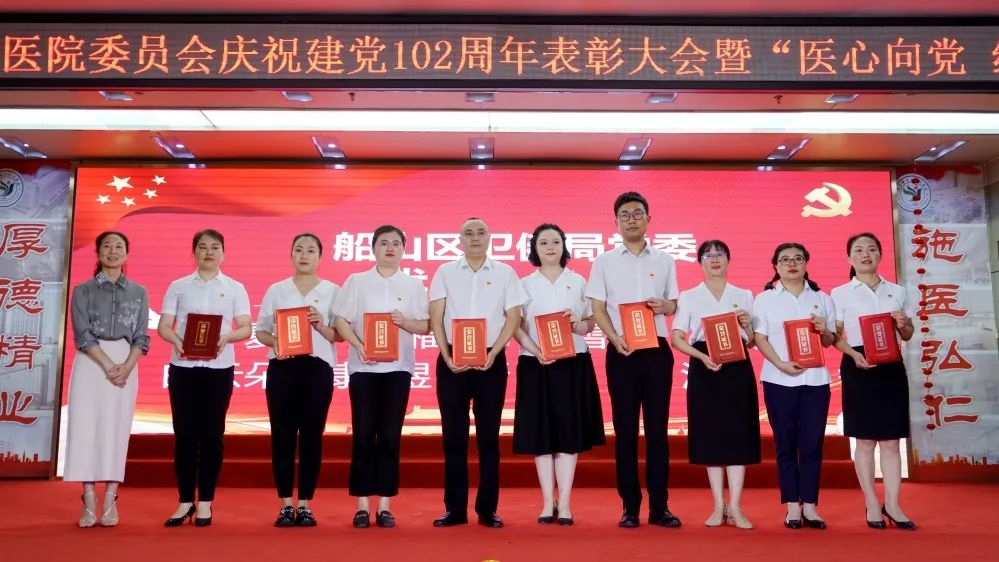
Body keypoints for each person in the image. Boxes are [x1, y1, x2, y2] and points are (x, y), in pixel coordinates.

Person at [586, 191, 681, 529]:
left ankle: (660, 506)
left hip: (656, 351)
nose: (631, 219)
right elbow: (597, 307)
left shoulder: (665, 260)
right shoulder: (604, 262)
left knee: (657, 431)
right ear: (616, 222)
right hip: (621, 351)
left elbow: (674, 304)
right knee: (625, 431)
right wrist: (614, 338)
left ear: (648, 219)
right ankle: (629, 506)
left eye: (637, 213)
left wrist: (665, 307)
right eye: (624, 215)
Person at [428, 217, 526, 529]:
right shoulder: (445, 272)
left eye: (481, 232)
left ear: (489, 238)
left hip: (490, 360)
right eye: (468, 233)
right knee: (453, 437)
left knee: (488, 438)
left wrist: (495, 352)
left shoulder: (505, 273)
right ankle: (455, 509)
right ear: (459, 240)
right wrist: (445, 354)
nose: (475, 238)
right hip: (452, 359)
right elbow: (436, 317)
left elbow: (514, 317)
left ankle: (487, 509)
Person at [334, 225, 430, 529]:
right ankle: (362, 505)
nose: (390, 248)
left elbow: (425, 326)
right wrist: (358, 345)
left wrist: (405, 322)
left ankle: (385, 505)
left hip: (398, 369)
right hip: (363, 369)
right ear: (373, 248)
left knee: (390, 436)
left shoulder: (413, 284)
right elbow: (340, 319)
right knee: (363, 435)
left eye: (396, 243)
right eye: (384, 243)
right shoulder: (357, 281)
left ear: (404, 249)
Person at [512, 223, 605, 527]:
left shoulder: (578, 281)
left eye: (555, 242)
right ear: (534, 249)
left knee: (568, 433)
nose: (550, 247)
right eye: (543, 243)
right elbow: (514, 326)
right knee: (541, 434)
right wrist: (535, 350)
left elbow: (591, 322)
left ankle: (564, 502)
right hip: (535, 362)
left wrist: (579, 323)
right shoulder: (523, 284)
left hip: (572, 361)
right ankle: (546, 501)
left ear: (564, 246)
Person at [157, 229, 252, 527]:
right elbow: (164, 326)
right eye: (202, 247)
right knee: (185, 435)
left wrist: (226, 337)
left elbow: (246, 327)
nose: (208, 252)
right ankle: (185, 500)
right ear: (194, 252)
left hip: (219, 369)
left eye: (214, 247)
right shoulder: (178, 286)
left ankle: (206, 502)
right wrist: (176, 340)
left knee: (212, 435)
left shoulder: (235, 288)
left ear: (223, 253)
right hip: (183, 368)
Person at [671, 240, 761, 529]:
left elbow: (752, 341)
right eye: (708, 255)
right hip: (704, 366)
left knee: (738, 434)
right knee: (710, 434)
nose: (714, 259)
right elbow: (677, 338)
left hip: (737, 367)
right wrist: (701, 357)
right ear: (700, 262)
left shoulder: (744, 295)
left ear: (728, 260)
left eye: (720, 254)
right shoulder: (689, 296)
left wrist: (747, 325)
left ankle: (736, 506)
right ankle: (718, 505)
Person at [830, 232, 917, 531]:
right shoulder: (840, 293)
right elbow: (834, 336)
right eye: (858, 250)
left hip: (891, 367)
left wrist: (904, 324)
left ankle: (893, 504)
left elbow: (907, 334)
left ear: (880, 254)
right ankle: (871, 503)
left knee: (892, 441)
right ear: (849, 258)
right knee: (865, 440)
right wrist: (853, 355)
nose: (865, 255)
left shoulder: (897, 291)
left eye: (871, 249)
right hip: (858, 365)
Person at [65, 231, 149, 528]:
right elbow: (82, 334)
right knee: (86, 428)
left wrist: (126, 366)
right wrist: (109, 365)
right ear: (98, 252)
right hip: (91, 362)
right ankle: (88, 499)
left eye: (119, 246)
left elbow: (141, 335)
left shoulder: (139, 292)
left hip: (126, 362)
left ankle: (111, 498)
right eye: (107, 246)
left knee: (117, 428)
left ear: (127, 254)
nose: (113, 251)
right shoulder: (82, 290)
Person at [255, 233, 339, 527]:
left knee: (312, 435)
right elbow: (261, 331)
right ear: (291, 254)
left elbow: (339, 335)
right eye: (299, 250)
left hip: (318, 369)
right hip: (283, 368)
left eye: (311, 250)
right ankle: (285, 504)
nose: (304, 255)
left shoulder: (333, 291)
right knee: (282, 435)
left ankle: (304, 504)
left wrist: (321, 325)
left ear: (320, 257)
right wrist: (277, 342)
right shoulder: (277, 290)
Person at [752, 242, 835, 530]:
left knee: (812, 444)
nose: (792, 264)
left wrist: (824, 330)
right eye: (785, 259)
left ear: (806, 264)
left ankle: (810, 505)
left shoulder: (822, 298)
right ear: (776, 266)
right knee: (785, 444)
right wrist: (780, 364)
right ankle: (791, 506)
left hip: (816, 381)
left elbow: (829, 340)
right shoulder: (764, 299)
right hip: (778, 380)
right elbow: (759, 338)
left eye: (798, 259)